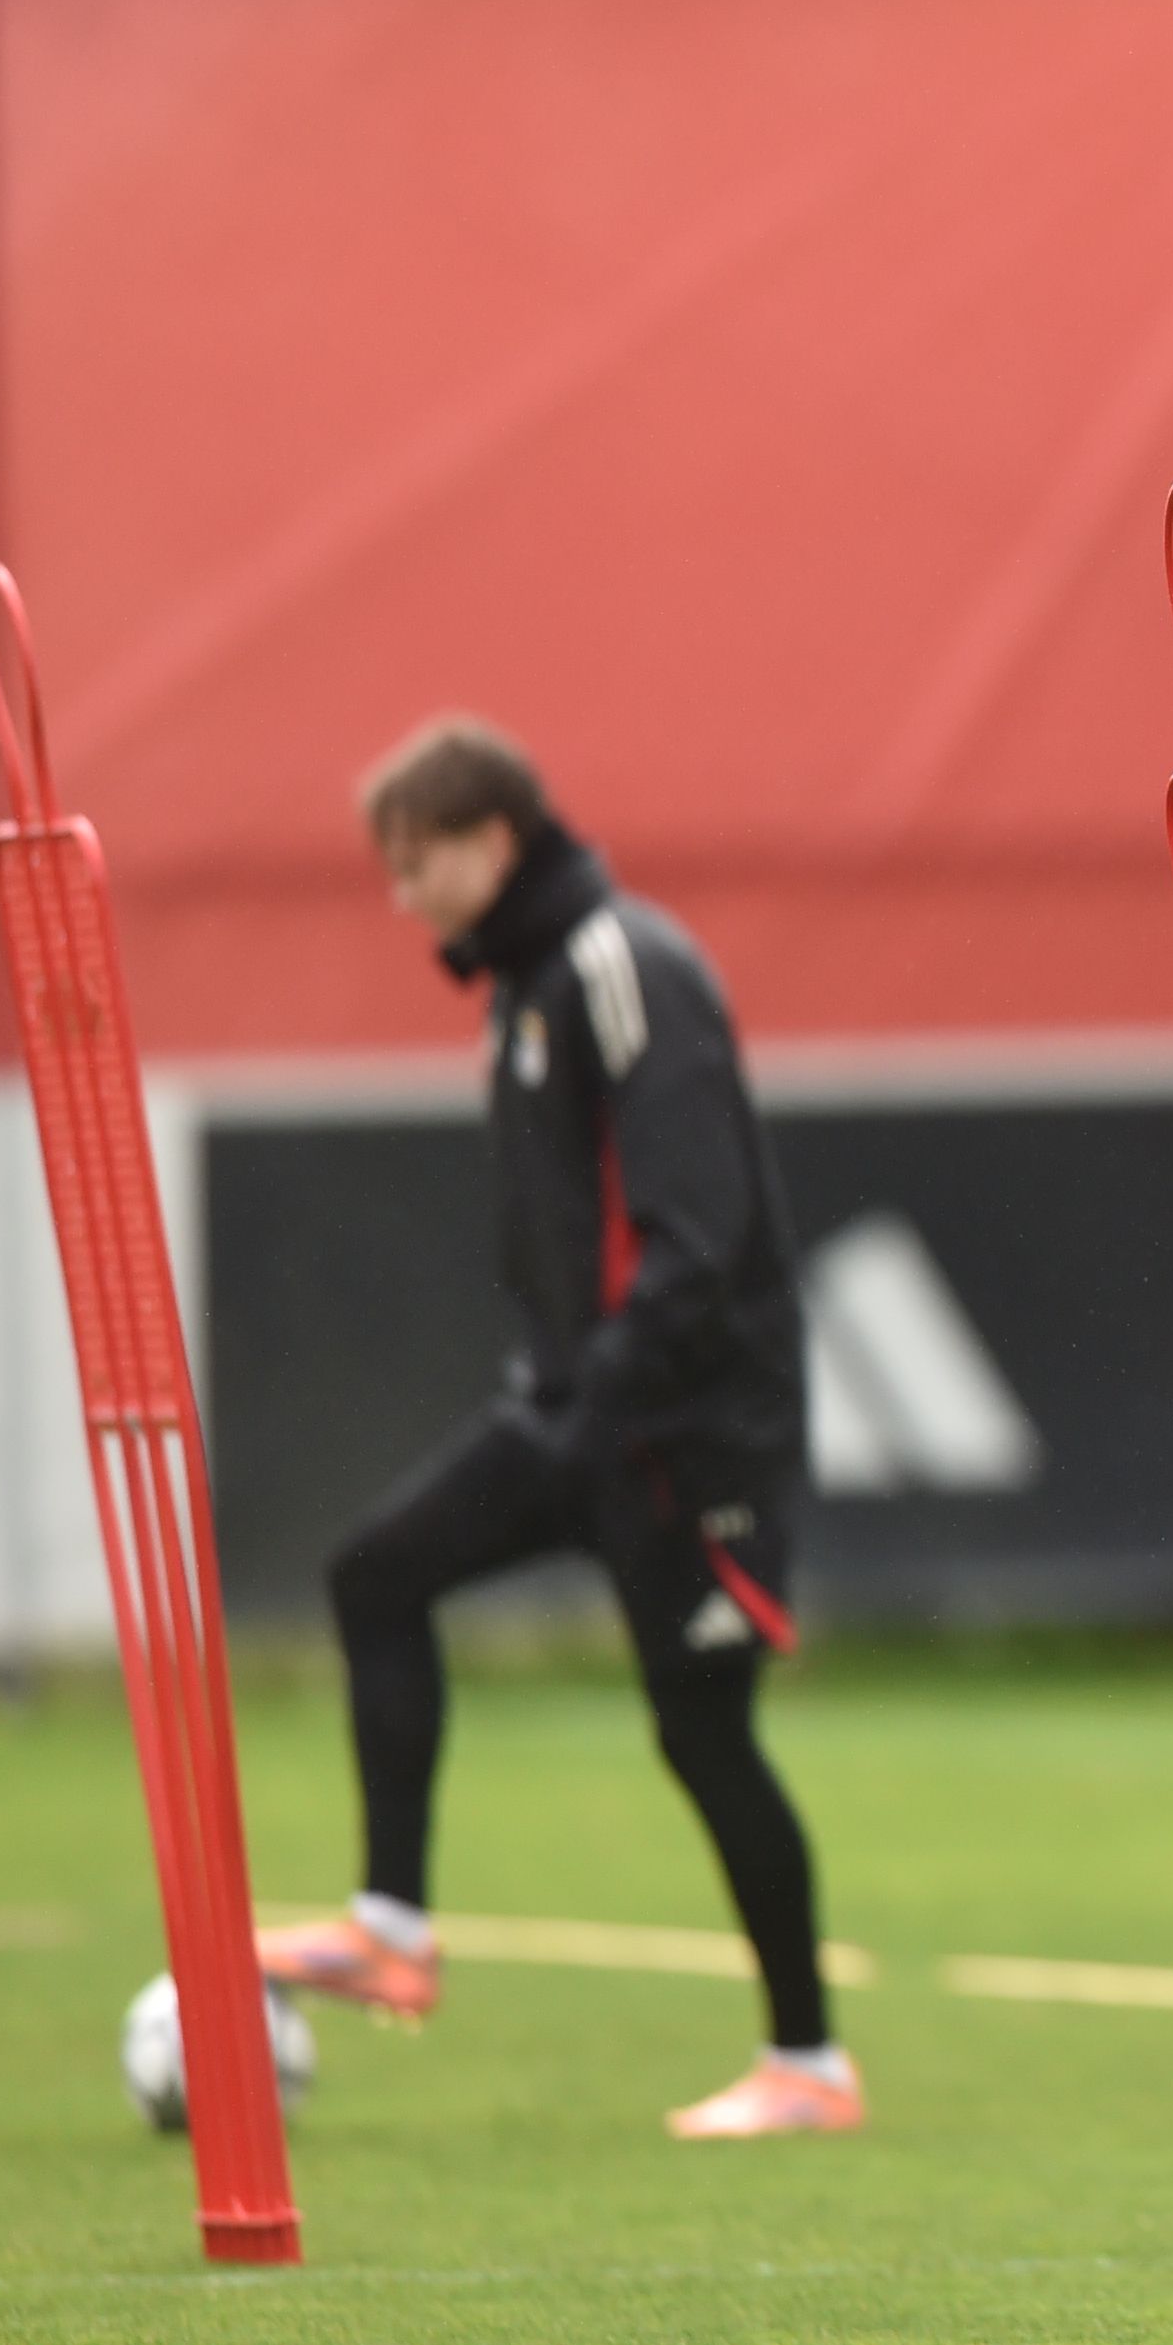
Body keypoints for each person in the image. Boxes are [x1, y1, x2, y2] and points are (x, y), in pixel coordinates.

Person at [254, 722, 851, 2139]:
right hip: (585, 1414)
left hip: (692, 1433)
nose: (401, 899)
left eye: (416, 866)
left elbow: (697, 1238)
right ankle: (392, 1926)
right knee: (374, 1574)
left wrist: (603, 1402)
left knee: (705, 1738)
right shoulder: (525, 986)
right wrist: (563, 1396)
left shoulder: (620, 966)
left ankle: (810, 2067)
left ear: (492, 843)